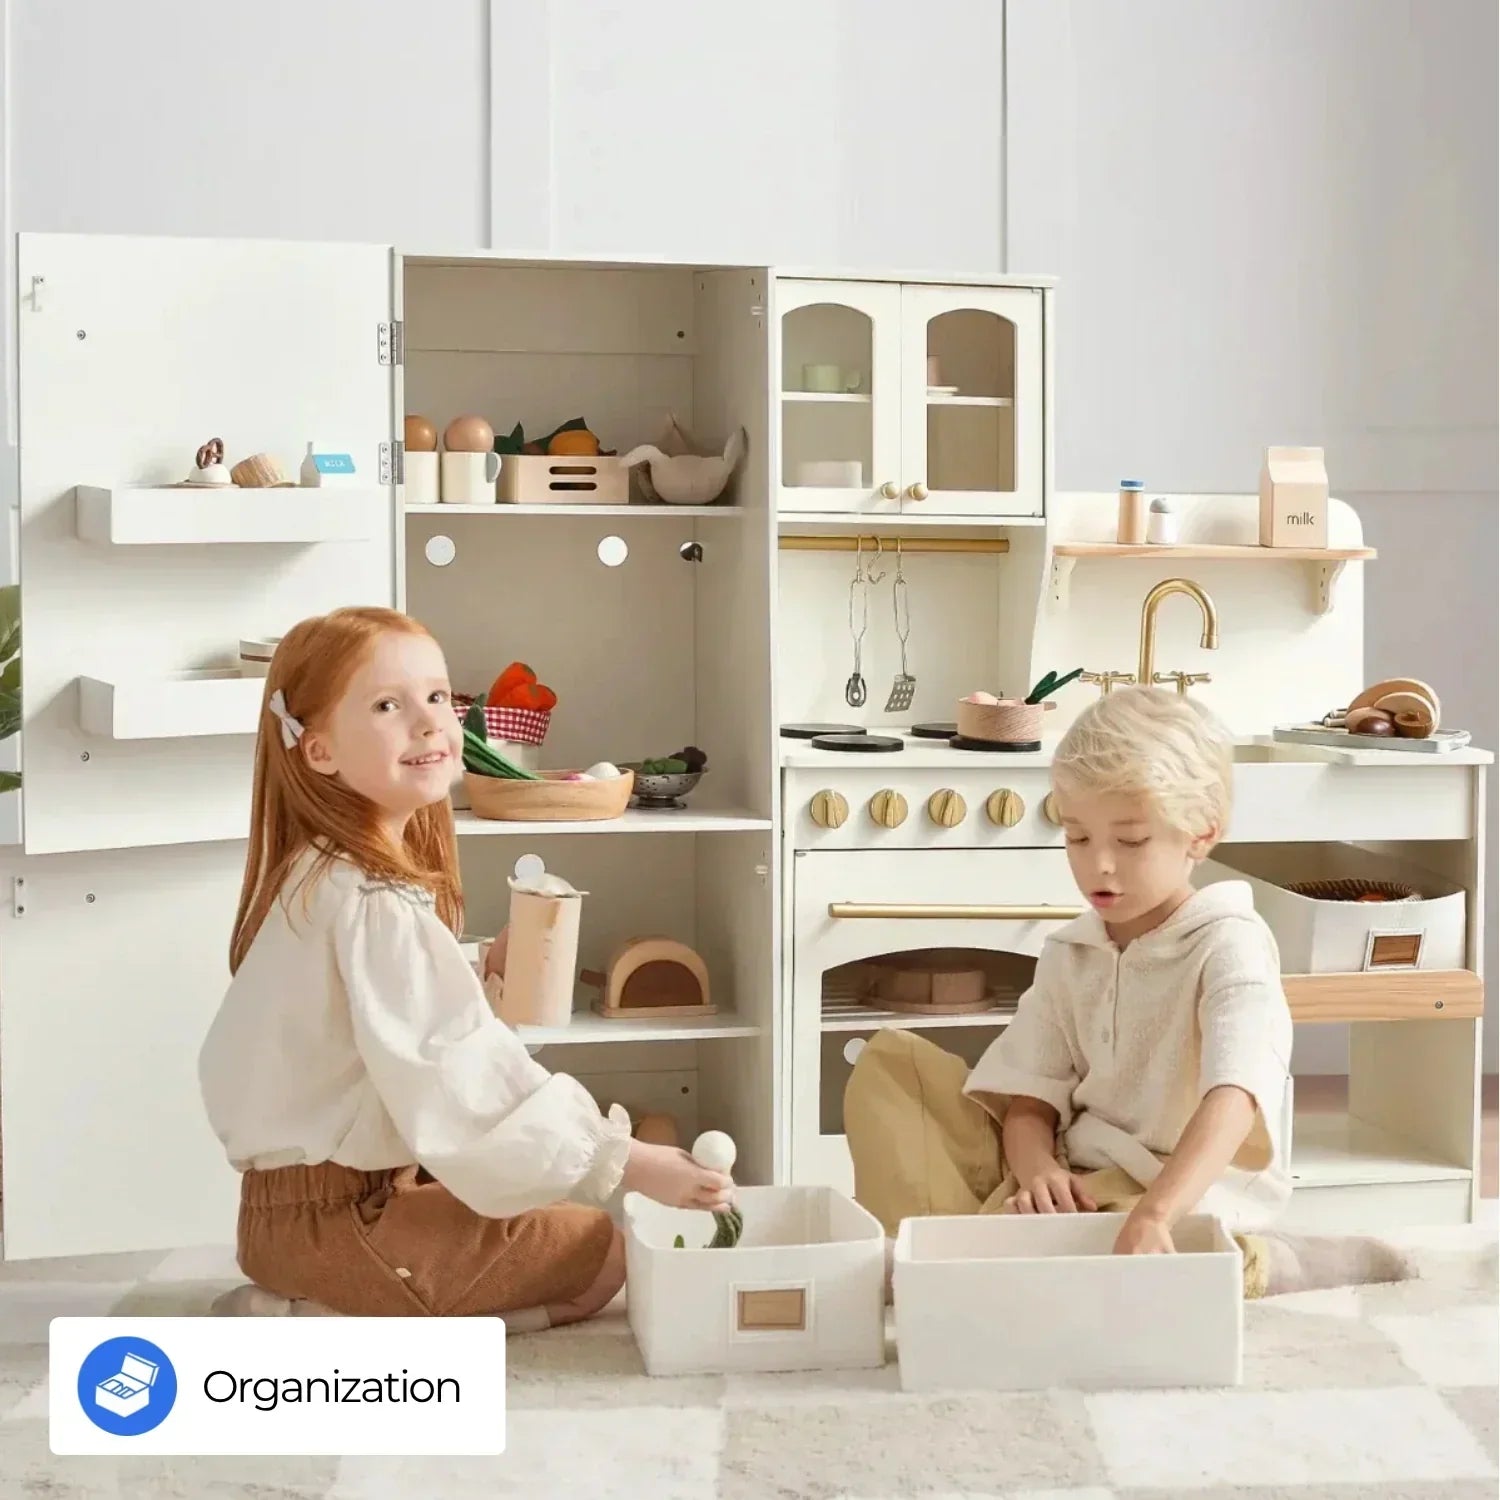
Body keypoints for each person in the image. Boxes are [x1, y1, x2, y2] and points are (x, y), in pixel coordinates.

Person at [198, 606, 731, 1328]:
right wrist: (628, 1160)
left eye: (438, 697)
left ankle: (338, 1298)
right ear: (318, 750)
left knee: (541, 1207)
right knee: (606, 1250)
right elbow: (455, 1070)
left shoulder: (319, 872)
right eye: (388, 705)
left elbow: (370, 1039)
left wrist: (473, 973)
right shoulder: (372, 899)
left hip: (293, 1216)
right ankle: (339, 1317)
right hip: (351, 1222)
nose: (428, 723)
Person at [845, 685, 1414, 1299]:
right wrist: (1037, 1172)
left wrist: (1156, 1216)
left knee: (1105, 1253)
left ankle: (1261, 1261)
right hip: (1077, 1173)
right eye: (1077, 838)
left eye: (1131, 841)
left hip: (1174, 1189)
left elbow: (1235, 1098)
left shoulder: (1230, 943)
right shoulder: (1073, 950)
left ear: (1200, 834)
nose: (1100, 866)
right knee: (891, 1067)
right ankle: (969, 1251)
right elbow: (1029, 1099)